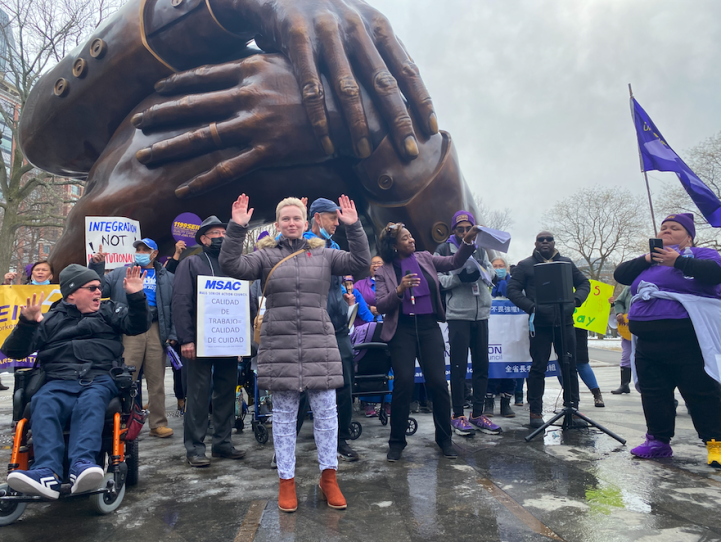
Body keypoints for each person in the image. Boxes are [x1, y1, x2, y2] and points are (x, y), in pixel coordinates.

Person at [219, 194, 370, 513]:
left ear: (306, 222)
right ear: (278, 223)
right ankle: (286, 480)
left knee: (328, 416)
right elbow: (231, 265)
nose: (291, 223)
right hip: (280, 342)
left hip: (319, 342)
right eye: (285, 219)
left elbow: (360, 263)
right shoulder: (264, 255)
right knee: (285, 416)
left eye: (296, 218)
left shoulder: (326, 254)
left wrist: (353, 227)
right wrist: (236, 228)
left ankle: (329, 477)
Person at [1, 264, 150, 499]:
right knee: (43, 401)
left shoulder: (109, 310)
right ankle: (46, 471)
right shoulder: (49, 319)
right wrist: (27, 323)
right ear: (71, 294)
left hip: (99, 377)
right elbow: (13, 351)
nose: (98, 292)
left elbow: (138, 325)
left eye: (99, 287)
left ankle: (82, 465)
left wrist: (135, 296)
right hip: (58, 378)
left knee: (90, 402)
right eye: (91, 288)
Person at [613, 213, 721, 467]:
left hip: (689, 340)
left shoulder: (703, 255)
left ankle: (715, 445)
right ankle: (658, 441)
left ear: (689, 236)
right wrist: (649, 258)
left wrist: (679, 261)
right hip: (648, 342)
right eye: (663, 228)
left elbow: (715, 275)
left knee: (701, 393)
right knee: (654, 393)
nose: (667, 231)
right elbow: (622, 274)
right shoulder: (648, 262)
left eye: (674, 228)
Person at [375, 221, 480, 462]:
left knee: (439, 383)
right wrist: (400, 290)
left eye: (411, 236)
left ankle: (444, 440)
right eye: (405, 238)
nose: (412, 240)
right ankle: (397, 443)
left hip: (428, 327)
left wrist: (468, 242)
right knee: (404, 384)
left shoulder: (425, 258)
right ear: (393, 245)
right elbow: (381, 304)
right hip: (401, 330)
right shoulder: (384, 270)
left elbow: (454, 263)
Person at [172, 216, 246, 467]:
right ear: (203, 239)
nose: (221, 237)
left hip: (228, 341)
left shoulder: (234, 265)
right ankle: (194, 447)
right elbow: (181, 302)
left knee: (226, 393)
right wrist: (187, 339)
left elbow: (243, 304)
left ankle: (223, 443)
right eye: (215, 233)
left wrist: (240, 342)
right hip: (199, 343)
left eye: (224, 233)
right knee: (198, 395)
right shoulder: (191, 263)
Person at [89, 238, 177, 437]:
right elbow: (97, 287)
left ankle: (158, 423)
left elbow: (175, 307)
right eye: (138, 249)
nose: (140, 252)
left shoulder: (168, 277)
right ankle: (120, 421)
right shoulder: (120, 272)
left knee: (157, 380)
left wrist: (172, 333)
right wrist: (97, 265)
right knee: (126, 378)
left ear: (155, 253)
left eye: (145, 249)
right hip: (130, 328)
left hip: (156, 328)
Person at [506, 231, 591, 429]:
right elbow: (512, 290)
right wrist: (532, 307)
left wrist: (575, 301)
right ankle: (535, 411)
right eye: (541, 239)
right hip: (540, 324)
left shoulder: (566, 263)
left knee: (569, 365)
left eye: (549, 239)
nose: (545, 242)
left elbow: (584, 283)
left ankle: (573, 409)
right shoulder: (525, 265)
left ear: (554, 242)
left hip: (565, 322)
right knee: (538, 367)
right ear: (535, 243)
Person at [303, 197, 361, 462]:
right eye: (332, 218)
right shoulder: (299, 245)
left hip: (338, 330)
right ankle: (286, 445)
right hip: (308, 330)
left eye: (339, 219)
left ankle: (341, 439)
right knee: (302, 388)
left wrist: (344, 300)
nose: (337, 223)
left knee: (345, 384)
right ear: (317, 218)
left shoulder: (335, 247)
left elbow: (356, 266)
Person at [434, 211, 501, 436]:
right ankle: (458, 414)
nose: (464, 232)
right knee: (459, 366)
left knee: (482, 364)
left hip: (481, 313)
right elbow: (438, 280)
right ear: (454, 230)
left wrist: (483, 273)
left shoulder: (481, 247)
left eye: (468, 228)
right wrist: (459, 278)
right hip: (458, 315)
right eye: (460, 229)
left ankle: (478, 413)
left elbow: (491, 269)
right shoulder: (444, 250)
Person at [486, 256, 520, 416]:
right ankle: (489, 402)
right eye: (495, 266)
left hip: (510, 331)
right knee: (491, 367)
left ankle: (506, 403)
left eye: (501, 266)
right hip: (491, 332)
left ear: (506, 268)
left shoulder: (515, 284)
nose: (498, 268)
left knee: (510, 366)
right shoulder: (486, 283)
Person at [574, 328, 605, 407]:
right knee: (560, 365)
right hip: (557, 325)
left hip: (578, 326)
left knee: (582, 363)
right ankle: (570, 395)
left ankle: (596, 394)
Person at [611, 286, 632, 394]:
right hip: (628, 329)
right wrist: (619, 313)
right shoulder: (629, 288)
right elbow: (618, 302)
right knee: (626, 356)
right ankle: (624, 385)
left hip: (646, 329)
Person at [353, 256, 384, 323]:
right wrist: (368, 308)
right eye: (373, 263)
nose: (376, 265)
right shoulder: (359, 285)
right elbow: (352, 301)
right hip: (365, 326)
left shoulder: (391, 283)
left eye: (379, 263)